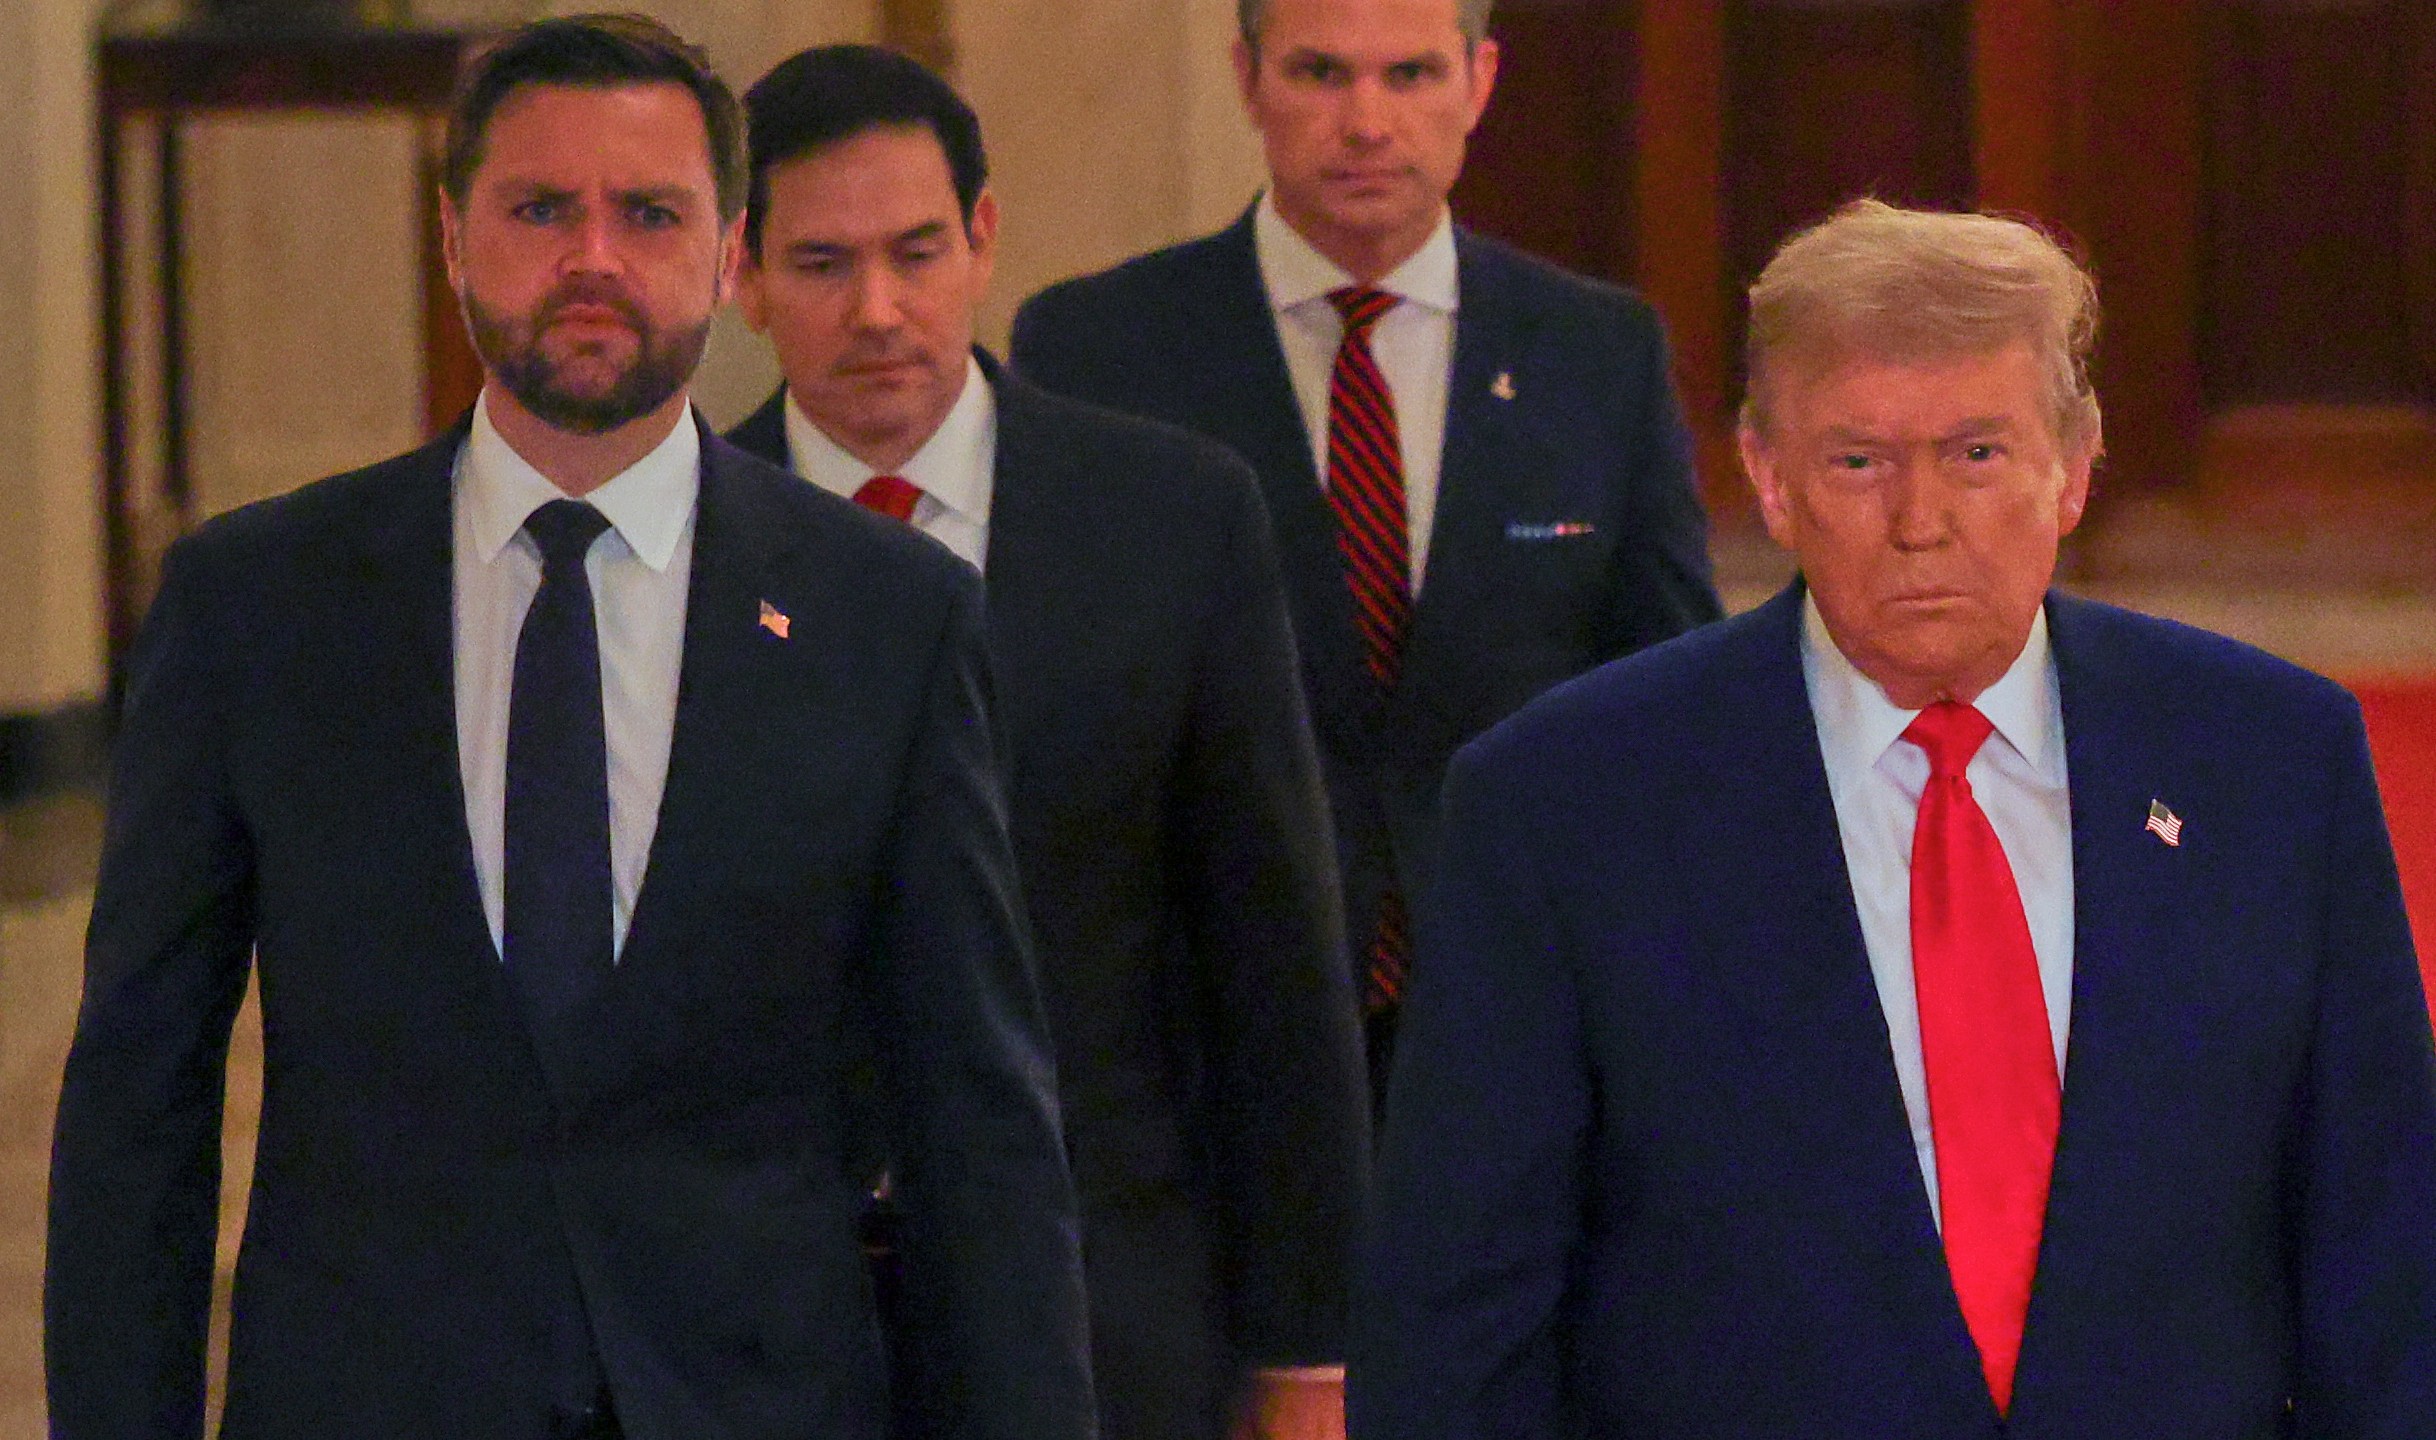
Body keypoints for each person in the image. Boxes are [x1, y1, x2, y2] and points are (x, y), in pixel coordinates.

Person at [44, 17, 1093, 1440]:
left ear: (727, 255)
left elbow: (978, 1121)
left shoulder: (887, 617)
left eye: (648, 213)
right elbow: (136, 1104)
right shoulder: (259, 605)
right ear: (453, 237)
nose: (593, 257)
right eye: (541, 209)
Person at [1350, 198, 2436, 1437]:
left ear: (2075, 469)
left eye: (1978, 453)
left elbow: (2389, 1269)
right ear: (1767, 478)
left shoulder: (2272, 764)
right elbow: (1456, 1324)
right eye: (1859, 460)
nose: (1921, 522)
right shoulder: (1562, 805)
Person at [723, 45, 1370, 1440]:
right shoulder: (674, 549)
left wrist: (1311, 1347)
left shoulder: (1172, 519)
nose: (879, 311)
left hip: (1109, 1301)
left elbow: (1273, 953)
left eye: (917, 251)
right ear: (745, 274)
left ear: (985, 239)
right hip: (760, 1328)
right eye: (824, 264)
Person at [1009, 0, 1722, 1092]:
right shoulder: (1099, 349)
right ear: (1248, 80)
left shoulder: (1598, 353)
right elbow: (1059, 705)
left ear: (1480, 82)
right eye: (1321, 73)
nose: (1367, 122)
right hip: (1202, 1026)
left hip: (1519, 1005)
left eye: (1412, 75)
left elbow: (1668, 694)